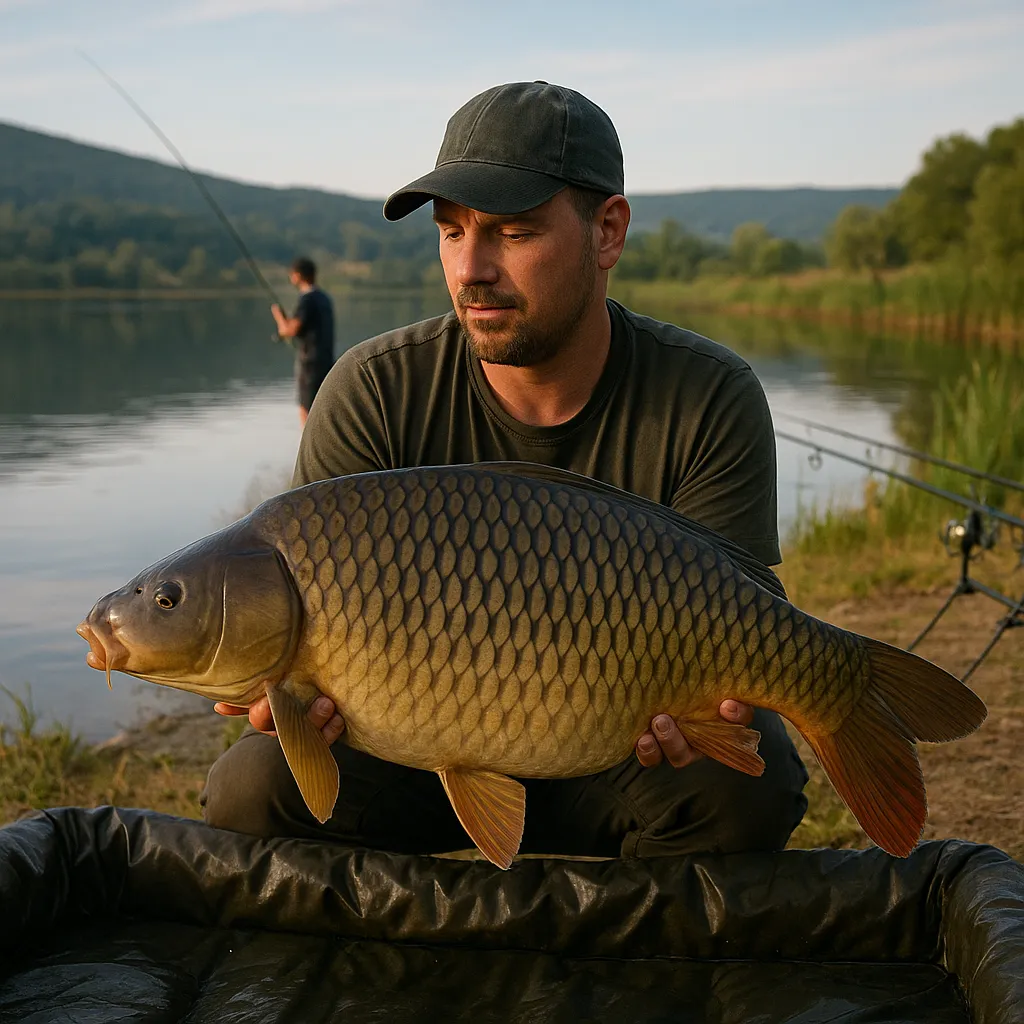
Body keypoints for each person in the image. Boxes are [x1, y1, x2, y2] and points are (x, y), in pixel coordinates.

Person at [204, 81, 809, 859]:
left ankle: (629, 963)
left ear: (608, 232)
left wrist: (706, 711)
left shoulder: (707, 394)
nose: (471, 269)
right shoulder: (371, 392)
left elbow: (740, 617)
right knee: (250, 788)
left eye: (513, 234)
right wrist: (295, 702)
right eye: (452, 233)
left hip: (624, 752)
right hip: (413, 752)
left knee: (753, 783)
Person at [271, 257, 335, 425]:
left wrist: (279, 317)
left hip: (309, 362)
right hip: (326, 360)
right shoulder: (324, 298)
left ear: (298, 275)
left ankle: (308, 448)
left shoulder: (307, 299)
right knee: (323, 407)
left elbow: (291, 330)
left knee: (306, 407)